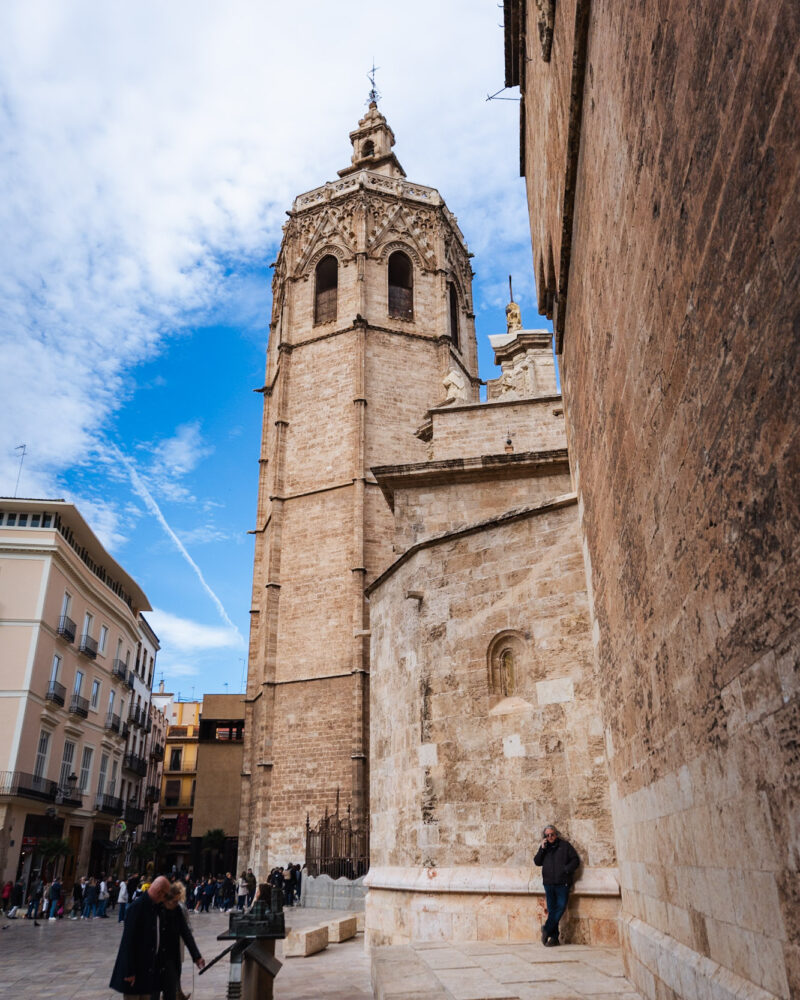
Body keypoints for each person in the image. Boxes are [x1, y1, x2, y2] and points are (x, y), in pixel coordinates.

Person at [109, 874, 170, 998]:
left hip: (147, 970)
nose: (164, 899)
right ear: (159, 892)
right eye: (165, 895)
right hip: (135, 972)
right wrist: (129, 971)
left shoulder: (155, 907)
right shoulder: (137, 907)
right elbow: (128, 941)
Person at [155, 882, 205, 1000]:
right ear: (166, 899)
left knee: (170, 991)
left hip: (171, 957)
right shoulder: (156, 909)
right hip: (156, 959)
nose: (176, 903)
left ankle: (178, 993)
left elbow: (186, 933)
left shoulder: (177, 910)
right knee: (154, 992)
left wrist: (196, 956)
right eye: (174, 901)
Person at [534, 824, 580, 946]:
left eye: (552, 834)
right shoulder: (544, 848)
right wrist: (542, 849)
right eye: (547, 835)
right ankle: (554, 938)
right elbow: (537, 862)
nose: (550, 837)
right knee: (552, 910)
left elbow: (575, 860)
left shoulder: (565, 846)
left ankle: (546, 928)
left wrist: (566, 870)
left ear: (556, 834)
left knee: (561, 906)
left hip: (562, 883)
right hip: (548, 884)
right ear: (545, 837)